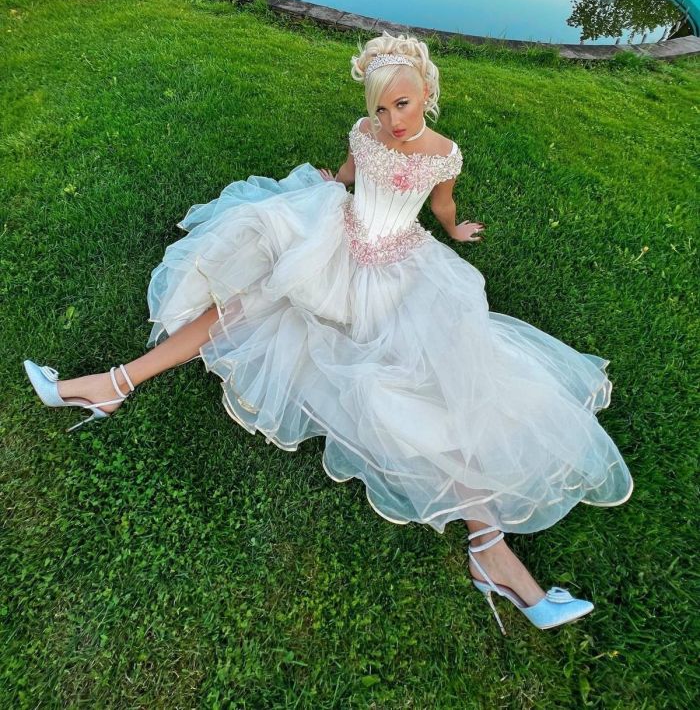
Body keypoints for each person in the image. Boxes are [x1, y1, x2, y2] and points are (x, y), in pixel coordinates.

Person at [24, 31, 633, 635]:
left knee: (429, 385)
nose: (392, 121)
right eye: (380, 108)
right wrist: (329, 183)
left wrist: (454, 231)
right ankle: (112, 383)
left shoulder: (445, 153)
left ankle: (489, 547)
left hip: (400, 270)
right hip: (336, 246)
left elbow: (442, 205)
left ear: (428, 91)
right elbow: (345, 174)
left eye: (403, 104)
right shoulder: (365, 134)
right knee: (242, 302)